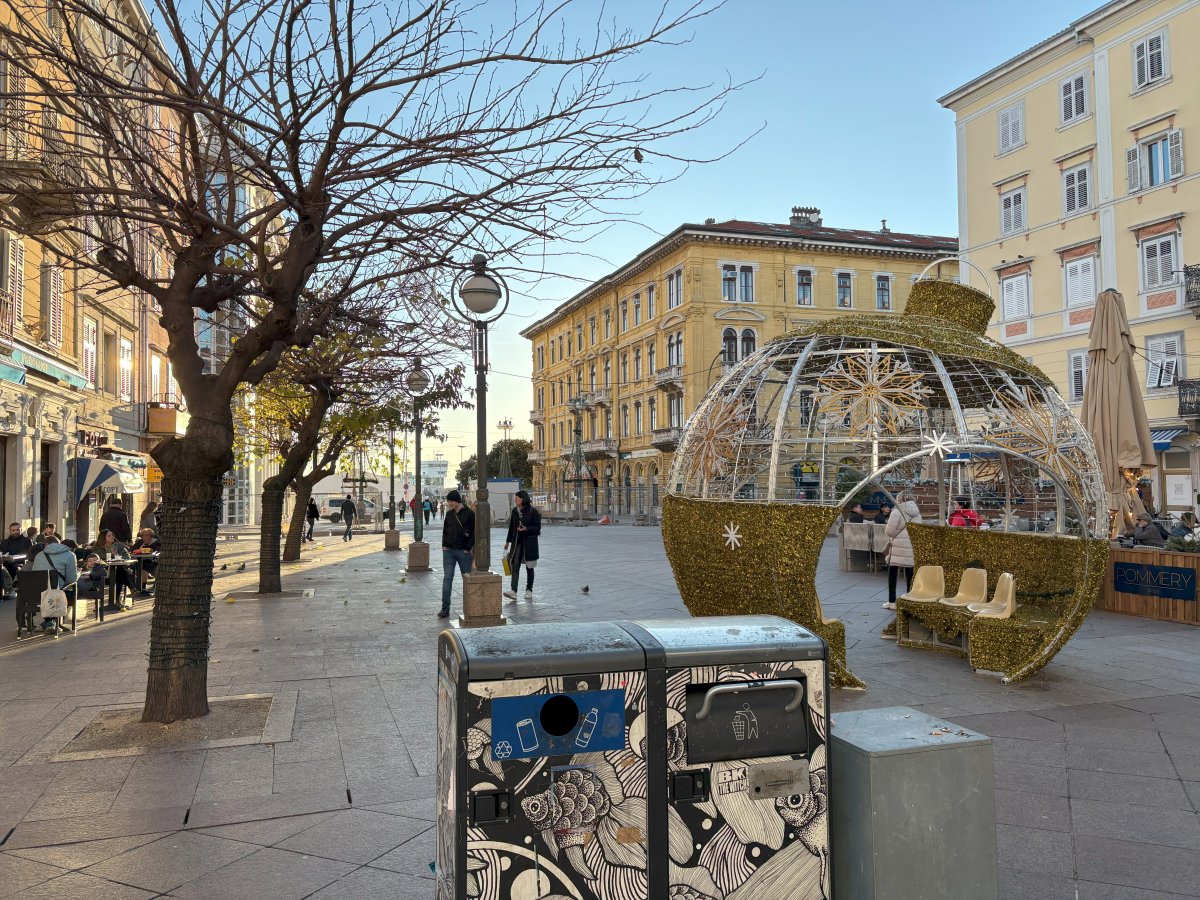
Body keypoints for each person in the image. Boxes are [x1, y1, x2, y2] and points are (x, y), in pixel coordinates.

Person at [29, 535, 79, 632]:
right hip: (57, 594)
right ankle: (52, 621)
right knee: (73, 589)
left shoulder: (39, 555)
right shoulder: (69, 555)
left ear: (46, 545)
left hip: (37, 594)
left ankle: (49, 622)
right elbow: (71, 580)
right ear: (59, 543)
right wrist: (78, 574)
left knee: (51, 590)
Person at [883, 493, 922, 611]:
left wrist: (897, 533)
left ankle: (892, 601)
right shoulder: (917, 514)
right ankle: (909, 600)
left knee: (892, 575)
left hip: (897, 548)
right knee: (910, 575)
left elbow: (889, 531)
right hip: (910, 546)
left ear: (899, 499)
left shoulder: (896, 512)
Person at [439, 489, 474, 619]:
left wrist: (467, 548)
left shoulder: (470, 514)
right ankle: (445, 609)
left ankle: (470, 608)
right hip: (448, 551)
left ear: (456, 500)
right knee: (447, 579)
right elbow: (445, 531)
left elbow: (473, 533)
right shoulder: (449, 514)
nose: (449, 503)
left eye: (450, 501)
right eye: (448, 501)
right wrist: (444, 545)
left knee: (467, 579)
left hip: (463, 551)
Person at [503, 490, 542, 601]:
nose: (515, 501)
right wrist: (507, 541)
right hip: (517, 543)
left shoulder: (533, 511)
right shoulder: (515, 511)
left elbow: (537, 528)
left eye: (516, 499)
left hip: (529, 544)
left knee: (529, 567)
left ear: (522, 499)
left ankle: (529, 590)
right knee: (515, 566)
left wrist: (526, 529)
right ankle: (513, 591)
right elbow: (511, 527)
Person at [130, 528, 160, 595]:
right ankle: (142, 589)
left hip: (154, 562)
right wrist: (140, 548)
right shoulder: (140, 542)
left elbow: (157, 551)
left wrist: (150, 550)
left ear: (152, 536)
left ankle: (154, 587)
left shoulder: (156, 542)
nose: (146, 537)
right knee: (143, 568)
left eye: (148, 535)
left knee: (156, 570)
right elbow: (132, 550)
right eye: (144, 535)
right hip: (142, 562)